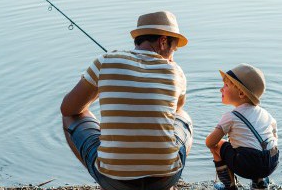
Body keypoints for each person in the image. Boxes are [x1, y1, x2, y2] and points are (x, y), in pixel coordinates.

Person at [60, 11, 193, 190]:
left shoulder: (105, 61)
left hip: (113, 180)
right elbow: (176, 110)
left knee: (71, 116)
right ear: (163, 41)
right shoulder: (176, 72)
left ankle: (106, 175)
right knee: (184, 117)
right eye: (173, 49)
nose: (172, 56)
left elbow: (68, 108)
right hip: (165, 178)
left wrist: (104, 87)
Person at [205, 64, 279, 190]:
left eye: (226, 85)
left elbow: (210, 142)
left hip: (248, 164)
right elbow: (274, 137)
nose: (221, 89)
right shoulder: (266, 114)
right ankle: (259, 183)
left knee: (217, 146)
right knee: (259, 146)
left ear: (240, 93)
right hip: (272, 161)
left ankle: (229, 185)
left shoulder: (231, 116)